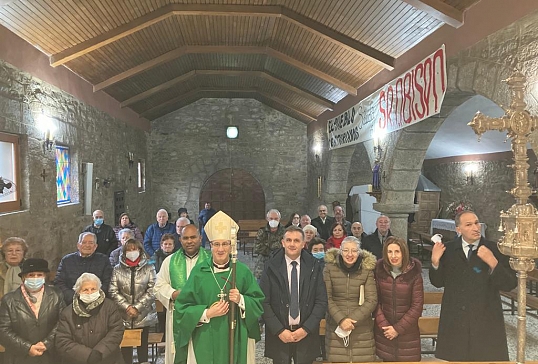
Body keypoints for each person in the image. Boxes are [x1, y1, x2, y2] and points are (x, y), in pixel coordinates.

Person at [175, 211, 264, 364]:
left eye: (225, 244)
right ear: (211, 246)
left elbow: (258, 303)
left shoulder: (242, 272)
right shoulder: (199, 272)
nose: (221, 249)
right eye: (216, 244)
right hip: (205, 336)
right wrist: (206, 313)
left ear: (231, 246)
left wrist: (241, 300)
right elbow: (182, 307)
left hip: (235, 336)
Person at [429, 210, 517, 361]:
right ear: (458, 229)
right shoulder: (448, 250)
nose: (475, 228)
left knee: (485, 358)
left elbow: (510, 284)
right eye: (469, 224)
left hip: (485, 318)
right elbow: (437, 282)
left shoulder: (495, 249)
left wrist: (493, 263)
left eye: (476, 223)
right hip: (456, 318)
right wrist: (435, 262)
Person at [260, 226, 328, 364]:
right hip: (279, 334)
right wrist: (279, 330)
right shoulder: (271, 266)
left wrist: (306, 329)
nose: (292, 244)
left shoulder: (314, 266)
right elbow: (264, 301)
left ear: (303, 244)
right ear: (282, 242)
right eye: (289, 240)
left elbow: (321, 301)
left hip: (306, 333)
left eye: (296, 240)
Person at [153, 224, 211, 364]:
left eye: (193, 237)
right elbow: (158, 286)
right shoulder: (170, 261)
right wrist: (173, 294)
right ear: (180, 239)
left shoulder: (211, 260)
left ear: (200, 238)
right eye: (185, 238)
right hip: (178, 315)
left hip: (204, 317)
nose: (189, 241)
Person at [0, 258, 65, 364]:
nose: (35, 278)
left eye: (39, 275)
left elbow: (63, 323)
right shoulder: (9, 299)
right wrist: (27, 348)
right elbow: (3, 330)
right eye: (31, 275)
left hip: (49, 356)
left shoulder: (57, 295)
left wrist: (46, 344)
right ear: (23, 277)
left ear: (44, 276)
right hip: (17, 358)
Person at [323, 236, 377, 362]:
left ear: (359, 252)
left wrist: (352, 320)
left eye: (354, 250)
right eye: (346, 250)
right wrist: (341, 320)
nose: (350, 254)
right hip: (335, 323)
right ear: (340, 251)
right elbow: (326, 298)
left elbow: (371, 300)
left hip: (361, 324)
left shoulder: (366, 270)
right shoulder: (330, 269)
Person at [55, 273, 124, 364]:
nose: (90, 292)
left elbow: (116, 331)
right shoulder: (67, 313)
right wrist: (87, 355)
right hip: (78, 361)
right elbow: (63, 340)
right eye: (85, 290)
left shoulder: (110, 307)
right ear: (78, 291)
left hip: (108, 359)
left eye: (93, 289)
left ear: (99, 290)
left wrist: (99, 352)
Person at [374, 236, 423, 361]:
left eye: (397, 251)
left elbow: (417, 306)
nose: (393, 256)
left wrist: (397, 329)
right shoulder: (380, 272)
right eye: (389, 252)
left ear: (403, 253)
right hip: (385, 332)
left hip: (407, 333)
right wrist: (385, 326)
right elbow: (375, 301)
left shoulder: (414, 274)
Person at [109, 239, 157, 364]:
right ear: (124, 252)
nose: (132, 252)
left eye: (134, 249)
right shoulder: (117, 269)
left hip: (143, 315)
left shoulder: (149, 267)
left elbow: (153, 289)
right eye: (128, 250)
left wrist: (137, 307)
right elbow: (113, 291)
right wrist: (127, 307)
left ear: (140, 250)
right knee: (126, 351)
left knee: (143, 351)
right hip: (124, 316)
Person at [55, 232, 113, 304]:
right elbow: (59, 282)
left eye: (91, 243)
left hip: (98, 301)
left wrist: (94, 296)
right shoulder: (67, 260)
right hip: (71, 302)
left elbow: (108, 282)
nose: (87, 245)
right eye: (84, 242)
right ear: (78, 245)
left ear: (95, 246)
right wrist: (75, 297)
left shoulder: (104, 260)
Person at [253, 209, 286, 279]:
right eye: (271, 218)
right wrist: (273, 249)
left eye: (276, 218)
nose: (273, 220)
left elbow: (285, 247)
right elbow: (257, 247)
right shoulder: (262, 231)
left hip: (280, 262)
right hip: (263, 262)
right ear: (267, 219)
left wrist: (268, 246)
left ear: (279, 219)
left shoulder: (285, 232)